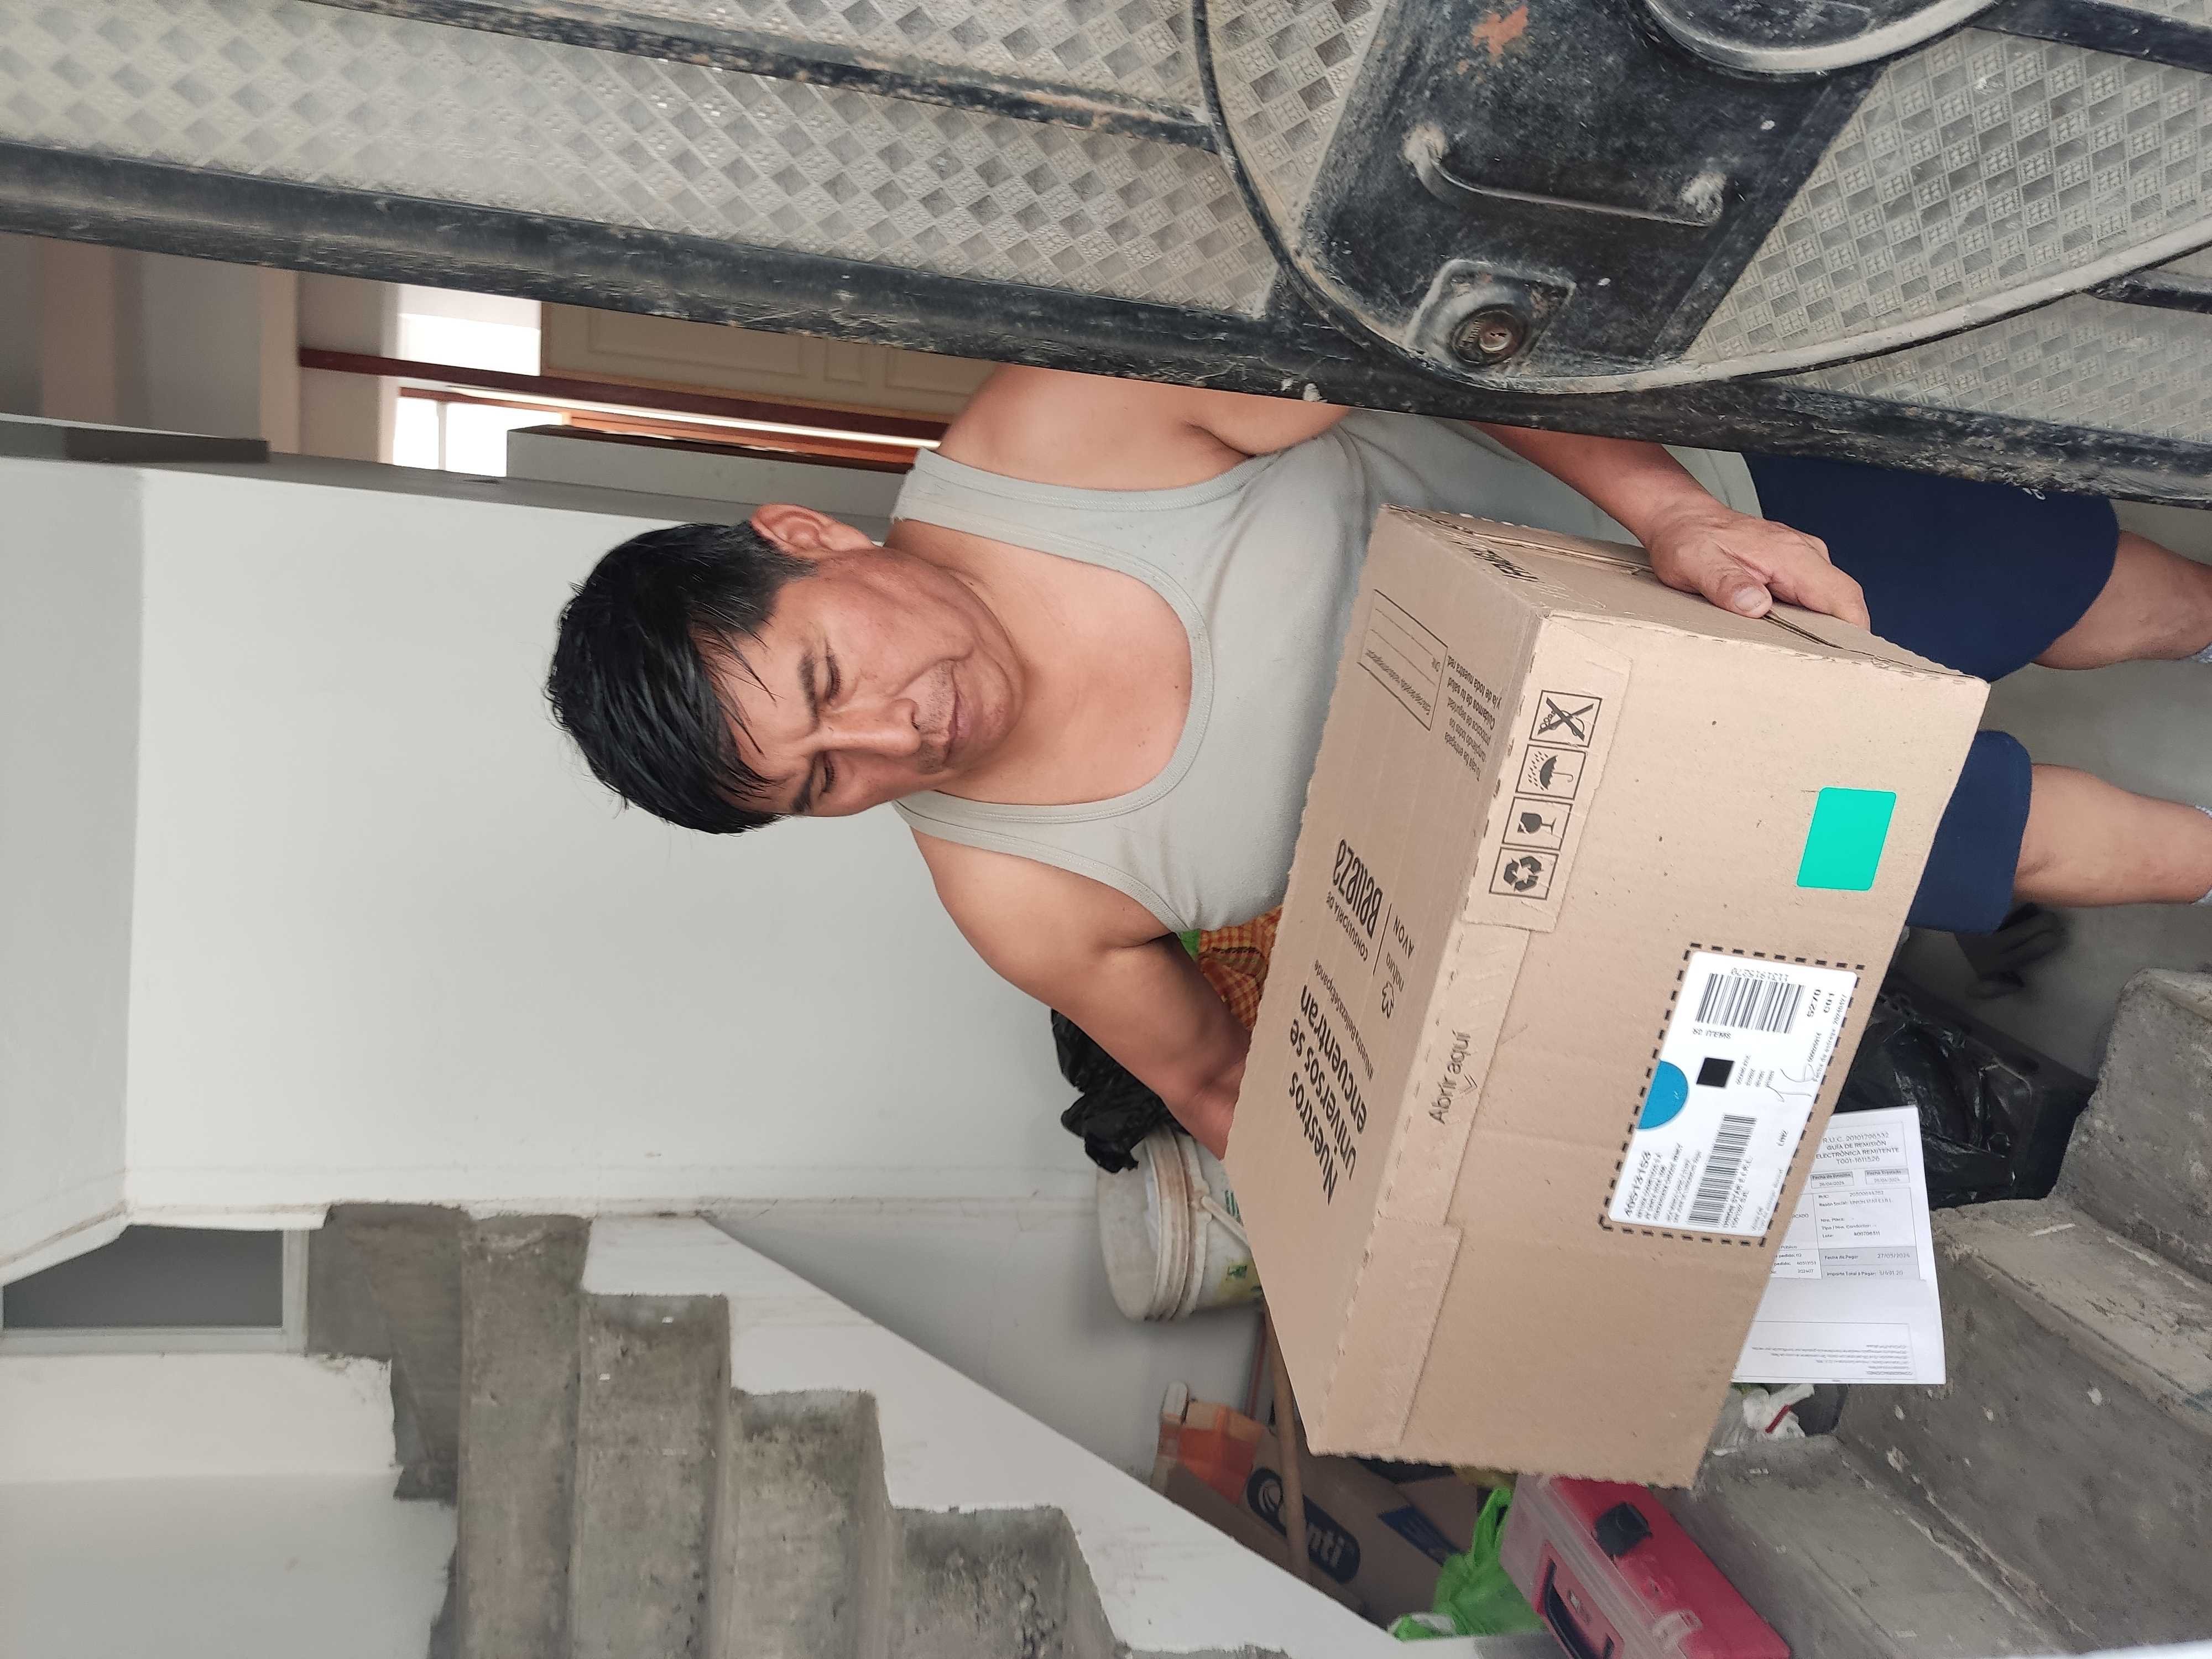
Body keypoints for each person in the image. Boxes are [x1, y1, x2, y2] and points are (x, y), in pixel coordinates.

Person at [546, 367, 2212, 1157]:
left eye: (829, 678)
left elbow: (1448, 363)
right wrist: (1385, 1214)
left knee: (2116, 608)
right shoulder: (1020, 897)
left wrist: (1674, 515)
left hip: (1727, 530)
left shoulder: (1059, 444)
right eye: (823, 780)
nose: (891, 738)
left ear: (806, 536)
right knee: (2036, 846)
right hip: (1676, 805)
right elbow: (1216, 1087)